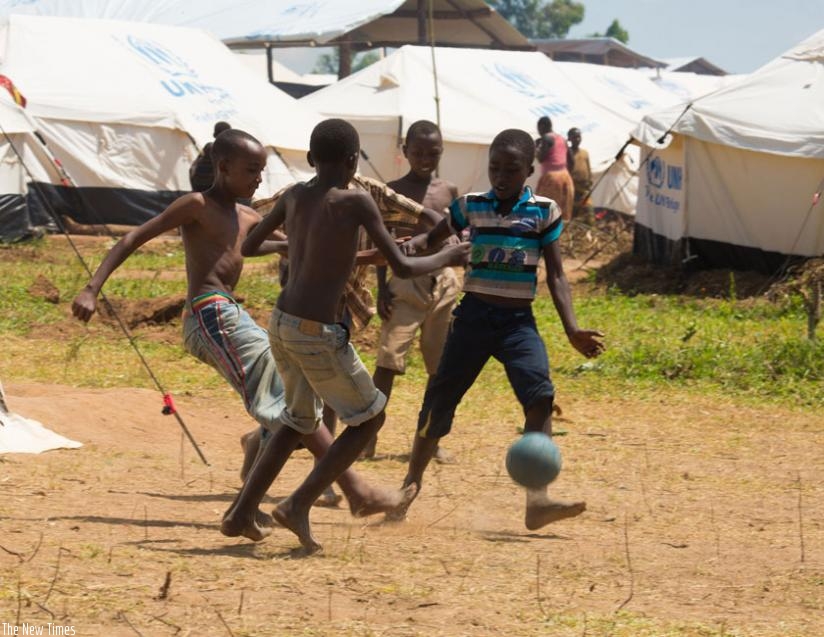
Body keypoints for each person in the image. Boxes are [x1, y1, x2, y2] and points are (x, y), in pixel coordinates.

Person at [71, 128, 414, 524]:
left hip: (231, 315)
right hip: (209, 313)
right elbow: (134, 237)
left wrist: (381, 254)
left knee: (291, 398)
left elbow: (308, 250)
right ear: (223, 167)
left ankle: (256, 475)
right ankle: (355, 490)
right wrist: (92, 288)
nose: (258, 180)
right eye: (251, 170)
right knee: (284, 400)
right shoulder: (196, 205)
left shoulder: (249, 216)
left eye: (262, 171)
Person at [220, 118, 469, 553]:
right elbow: (404, 267)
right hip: (318, 330)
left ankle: (241, 511)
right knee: (370, 419)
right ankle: (298, 503)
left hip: (282, 323)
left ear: (312, 159)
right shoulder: (357, 202)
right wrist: (451, 253)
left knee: (296, 421)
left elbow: (248, 245)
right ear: (354, 161)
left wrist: (295, 247)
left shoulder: (295, 196)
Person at [386, 128, 605, 529]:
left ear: (529, 169)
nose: (501, 175)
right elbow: (433, 240)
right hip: (473, 319)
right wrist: (411, 246)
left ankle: (537, 502)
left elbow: (555, 275)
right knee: (439, 400)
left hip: (518, 323)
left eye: (511, 169)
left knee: (539, 398)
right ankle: (410, 485)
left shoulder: (544, 211)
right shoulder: (469, 206)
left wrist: (571, 329)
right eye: (495, 167)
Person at [364, 120, 461, 460]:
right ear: (405, 152)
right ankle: (367, 438)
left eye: (432, 153)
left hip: (444, 281)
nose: (424, 159)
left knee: (440, 367)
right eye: (417, 152)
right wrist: (381, 288)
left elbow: (458, 235)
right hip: (405, 283)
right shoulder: (391, 190)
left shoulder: (449, 190)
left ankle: (430, 439)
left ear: (441, 152)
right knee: (388, 361)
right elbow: (381, 241)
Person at [534, 116, 574, 222]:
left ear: (542, 126)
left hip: (551, 178)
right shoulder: (561, 138)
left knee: (546, 211)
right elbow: (571, 160)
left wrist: (536, 149)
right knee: (562, 210)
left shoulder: (546, 138)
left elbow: (541, 158)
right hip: (565, 176)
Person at [189, 121, 232, 192]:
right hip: (209, 187)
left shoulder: (208, 146)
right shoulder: (224, 149)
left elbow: (192, 168)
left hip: (197, 185)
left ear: (215, 134)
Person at [567, 127, 594, 223]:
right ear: (569, 139)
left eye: (578, 137)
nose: (577, 139)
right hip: (572, 189)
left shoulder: (585, 153)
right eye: (574, 137)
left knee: (589, 212)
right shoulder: (567, 153)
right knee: (573, 214)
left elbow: (588, 169)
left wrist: (590, 181)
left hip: (584, 189)